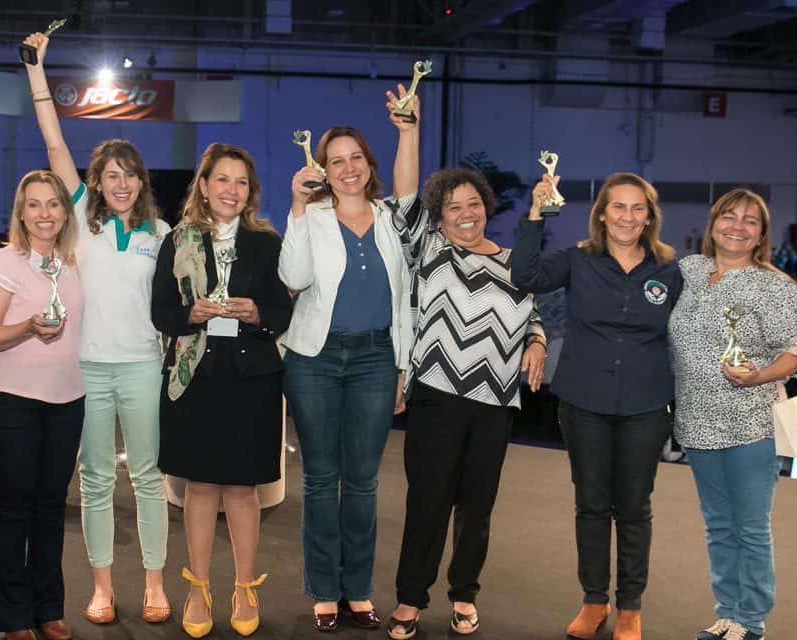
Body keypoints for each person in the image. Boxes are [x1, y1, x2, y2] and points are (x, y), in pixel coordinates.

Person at [24, 32, 172, 624]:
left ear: (141, 180)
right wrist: (38, 70)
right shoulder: (79, 220)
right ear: (96, 179)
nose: (120, 182)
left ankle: (156, 585)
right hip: (84, 368)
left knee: (149, 479)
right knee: (92, 482)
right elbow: (53, 137)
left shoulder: (159, 237)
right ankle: (104, 587)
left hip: (141, 365)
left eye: (129, 173)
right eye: (110, 173)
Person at [510, 172, 683, 640]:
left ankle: (629, 607)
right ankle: (593, 601)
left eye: (637, 208)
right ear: (602, 214)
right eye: (619, 207)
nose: (628, 217)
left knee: (633, 507)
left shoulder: (671, 270)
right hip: (584, 401)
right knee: (590, 505)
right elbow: (523, 275)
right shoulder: (577, 261)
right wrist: (534, 214)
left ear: (649, 216)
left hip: (646, 405)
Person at [386, 166, 547, 639]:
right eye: (453, 206)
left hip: (496, 401)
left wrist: (537, 343)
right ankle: (411, 598)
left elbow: (533, 315)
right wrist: (408, 129)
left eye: (472, 204)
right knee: (428, 504)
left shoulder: (515, 263)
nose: (465, 214)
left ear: (486, 207)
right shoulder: (429, 251)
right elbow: (403, 200)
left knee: (478, 507)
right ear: (438, 215)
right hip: (437, 395)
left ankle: (464, 594)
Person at [278, 91, 417, 632]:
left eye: (355, 157)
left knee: (362, 482)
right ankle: (323, 590)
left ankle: (356, 589)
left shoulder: (392, 220)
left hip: (376, 359)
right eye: (336, 160)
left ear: (368, 164)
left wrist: (403, 367)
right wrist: (294, 206)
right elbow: (292, 278)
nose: (348, 168)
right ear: (322, 170)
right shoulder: (309, 218)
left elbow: (404, 298)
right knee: (320, 479)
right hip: (314, 358)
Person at [151, 143, 292, 638]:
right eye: (222, 180)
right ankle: (198, 587)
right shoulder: (178, 240)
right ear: (204, 187)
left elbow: (282, 311)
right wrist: (191, 314)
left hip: (252, 376)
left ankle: (244, 586)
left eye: (241, 182)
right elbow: (161, 312)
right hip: (195, 375)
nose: (232, 190)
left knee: (242, 487)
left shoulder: (267, 243)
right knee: (201, 486)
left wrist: (257, 314)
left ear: (250, 192)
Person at [668, 188, 797, 640]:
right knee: (718, 525)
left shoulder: (776, 286)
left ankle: (751, 621)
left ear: (762, 234)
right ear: (712, 224)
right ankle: (727, 611)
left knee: (750, 528)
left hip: (752, 424)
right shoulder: (687, 271)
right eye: (729, 216)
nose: (738, 226)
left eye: (750, 220)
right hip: (695, 420)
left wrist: (759, 375)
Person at [0, 170, 84, 640]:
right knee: (15, 506)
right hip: (11, 401)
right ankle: (13, 616)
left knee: (50, 506)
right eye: (35, 205)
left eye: (53, 204)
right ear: (21, 212)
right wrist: (25, 328)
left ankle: (49, 608)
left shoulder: (75, 262)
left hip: (68, 399)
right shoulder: (6, 260)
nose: (45, 214)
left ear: (65, 212)